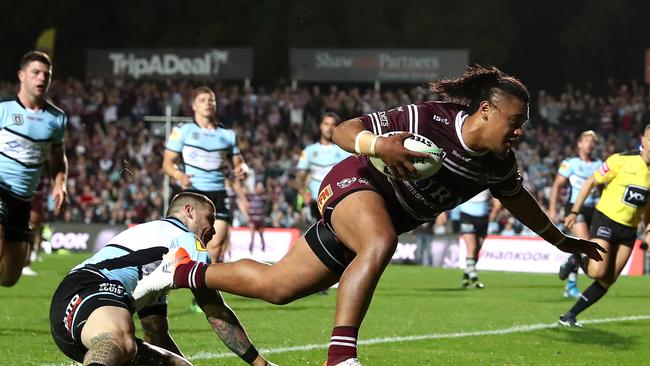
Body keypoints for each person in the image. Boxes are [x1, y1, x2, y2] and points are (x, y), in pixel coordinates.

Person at [137, 66, 605, 366]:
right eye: (515, 121)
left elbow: (520, 202)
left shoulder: (499, 164)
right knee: (381, 242)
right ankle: (341, 356)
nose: (520, 131)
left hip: (372, 217)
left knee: (276, 288)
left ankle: (179, 271)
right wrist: (380, 145)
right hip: (352, 183)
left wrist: (563, 241)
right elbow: (346, 130)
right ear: (486, 111)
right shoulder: (429, 119)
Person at [49, 192, 274, 366]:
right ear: (189, 212)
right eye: (210, 219)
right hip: (91, 289)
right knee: (121, 340)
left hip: (77, 313)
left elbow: (155, 330)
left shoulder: (154, 246)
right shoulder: (185, 239)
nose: (213, 230)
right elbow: (215, 311)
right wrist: (259, 362)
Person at [163, 86, 249, 311]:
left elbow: (239, 163)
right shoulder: (182, 131)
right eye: (202, 100)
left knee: (216, 246)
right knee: (182, 246)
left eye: (211, 100)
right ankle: (160, 290)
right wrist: (178, 174)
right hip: (192, 194)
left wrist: (243, 170)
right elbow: (167, 162)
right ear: (194, 106)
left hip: (218, 194)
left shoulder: (227, 135)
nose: (208, 103)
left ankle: (202, 296)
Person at [558, 126, 650, 327]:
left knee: (609, 279)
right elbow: (592, 181)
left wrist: (648, 230)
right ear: (643, 140)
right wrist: (574, 211)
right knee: (596, 272)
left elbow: (647, 204)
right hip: (606, 220)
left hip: (629, 231)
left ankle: (570, 316)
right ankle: (576, 258)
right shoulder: (621, 160)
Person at [0, 51, 68, 287]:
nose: (41, 78)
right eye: (35, 73)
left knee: (9, 277)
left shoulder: (56, 119)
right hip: (1, 188)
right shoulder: (3, 109)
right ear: (21, 75)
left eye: (46, 75)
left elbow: (58, 158)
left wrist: (60, 185)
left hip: (23, 199)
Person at [549, 130, 602, 298]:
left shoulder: (599, 164)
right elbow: (557, 185)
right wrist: (552, 209)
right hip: (574, 209)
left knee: (588, 245)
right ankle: (571, 278)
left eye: (592, 142)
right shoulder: (570, 163)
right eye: (586, 141)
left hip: (593, 209)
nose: (590, 144)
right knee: (584, 242)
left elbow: (601, 188)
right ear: (579, 144)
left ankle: (570, 276)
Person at [296, 112, 351, 221]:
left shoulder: (346, 152)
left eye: (333, 124)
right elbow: (299, 178)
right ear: (321, 126)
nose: (329, 128)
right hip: (315, 205)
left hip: (338, 203)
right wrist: (303, 192)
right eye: (326, 124)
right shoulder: (308, 151)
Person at [459, 189, 501, 289]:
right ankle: (474, 279)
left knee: (477, 249)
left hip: (483, 217)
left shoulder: (488, 179)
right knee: (472, 248)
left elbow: (497, 201)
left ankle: (466, 275)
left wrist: (494, 212)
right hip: (467, 214)